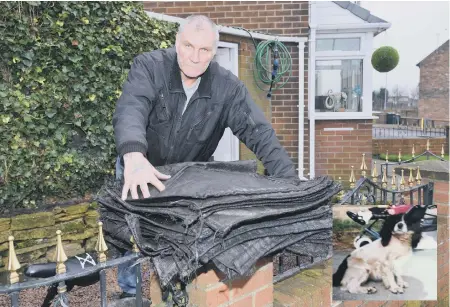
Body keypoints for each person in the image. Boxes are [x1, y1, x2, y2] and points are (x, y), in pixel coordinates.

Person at [112, 14, 298, 298]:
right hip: (142, 166)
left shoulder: (228, 88)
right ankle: (129, 292)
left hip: (187, 175)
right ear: (176, 43)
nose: (195, 57)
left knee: (180, 235)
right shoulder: (149, 67)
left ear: (214, 52)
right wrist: (134, 155)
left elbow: (260, 133)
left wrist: (291, 186)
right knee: (130, 232)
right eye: (188, 46)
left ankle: (178, 289)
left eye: (205, 50)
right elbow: (131, 108)